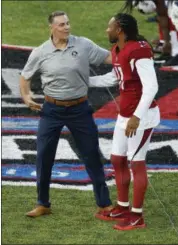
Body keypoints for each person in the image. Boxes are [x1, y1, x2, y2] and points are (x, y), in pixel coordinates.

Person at [20, 10, 113, 218]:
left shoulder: (83, 45)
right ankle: (43, 204)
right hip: (51, 110)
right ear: (51, 28)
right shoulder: (40, 52)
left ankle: (104, 203)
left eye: (68, 23)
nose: (67, 27)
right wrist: (26, 98)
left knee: (91, 154)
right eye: (61, 24)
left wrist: (132, 54)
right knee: (44, 156)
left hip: (80, 109)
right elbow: (25, 77)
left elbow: (109, 57)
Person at [90, 13, 160, 230]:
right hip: (125, 115)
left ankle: (137, 216)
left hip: (142, 116)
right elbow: (115, 77)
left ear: (119, 28)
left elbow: (151, 87)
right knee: (117, 159)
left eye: (109, 26)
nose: (106, 30)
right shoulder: (118, 49)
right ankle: (122, 206)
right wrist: (84, 81)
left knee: (136, 163)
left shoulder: (139, 50)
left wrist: (137, 117)